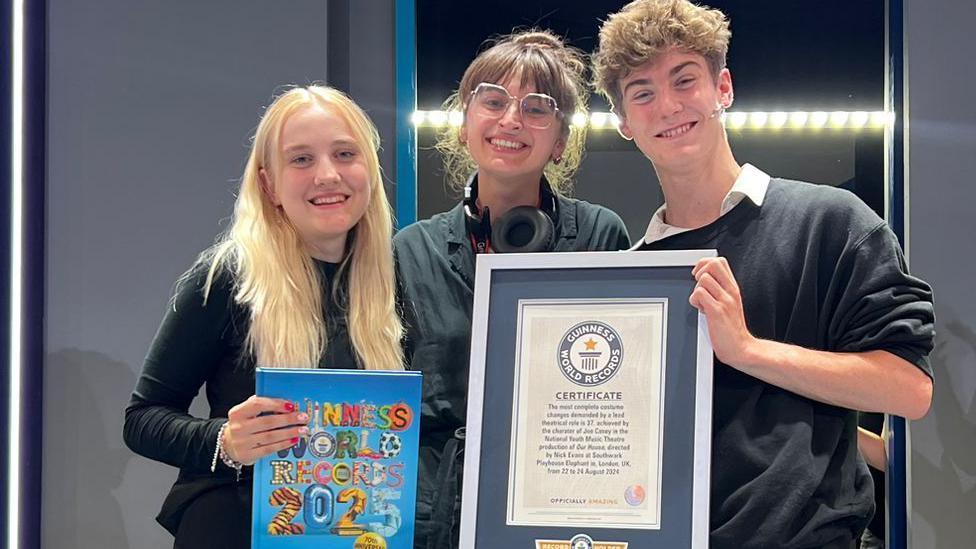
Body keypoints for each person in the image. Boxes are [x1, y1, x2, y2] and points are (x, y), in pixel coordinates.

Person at [591, 1, 935, 547]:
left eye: (685, 80)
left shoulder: (831, 222)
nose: (669, 106)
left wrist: (747, 350)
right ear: (624, 123)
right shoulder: (632, 275)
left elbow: (909, 389)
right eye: (643, 93)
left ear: (722, 87)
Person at [122, 85, 406, 548]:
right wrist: (226, 442)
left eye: (344, 153)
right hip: (232, 527)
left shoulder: (395, 282)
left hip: (353, 534)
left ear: (370, 172)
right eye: (301, 159)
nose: (328, 175)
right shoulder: (228, 277)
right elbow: (141, 419)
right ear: (269, 185)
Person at [394, 29, 631, 549]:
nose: (510, 120)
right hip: (434, 522)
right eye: (493, 101)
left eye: (537, 108)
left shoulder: (598, 236)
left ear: (561, 139)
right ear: (464, 124)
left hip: (557, 510)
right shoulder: (410, 251)